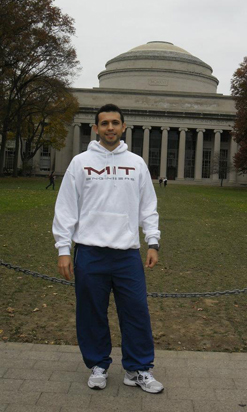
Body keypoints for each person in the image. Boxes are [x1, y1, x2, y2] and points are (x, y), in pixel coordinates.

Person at [52, 103, 163, 394]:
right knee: (91, 314)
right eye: (105, 123)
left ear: (124, 127)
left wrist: (153, 241)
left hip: (127, 253)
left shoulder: (137, 163)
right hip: (90, 252)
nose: (110, 128)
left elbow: (148, 207)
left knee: (136, 312)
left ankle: (137, 368)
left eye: (115, 123)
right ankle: (98, 365)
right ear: (96, 128)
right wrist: (63, 248)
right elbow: (65, 208)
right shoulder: (80, 162)